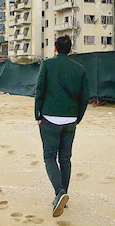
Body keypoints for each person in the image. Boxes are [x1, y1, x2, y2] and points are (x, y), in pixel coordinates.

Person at [34, 35, 89, 217]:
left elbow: (39, 90)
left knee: (50, 157)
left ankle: (59, 192)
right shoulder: (79, 69)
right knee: (65, 159)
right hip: (70, 120)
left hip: (49, 118)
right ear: (70, 50)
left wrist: (38, 114)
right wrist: (77, 118)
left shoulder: (47, 65)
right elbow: (84, 98)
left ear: (55, 49)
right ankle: (62, 198)